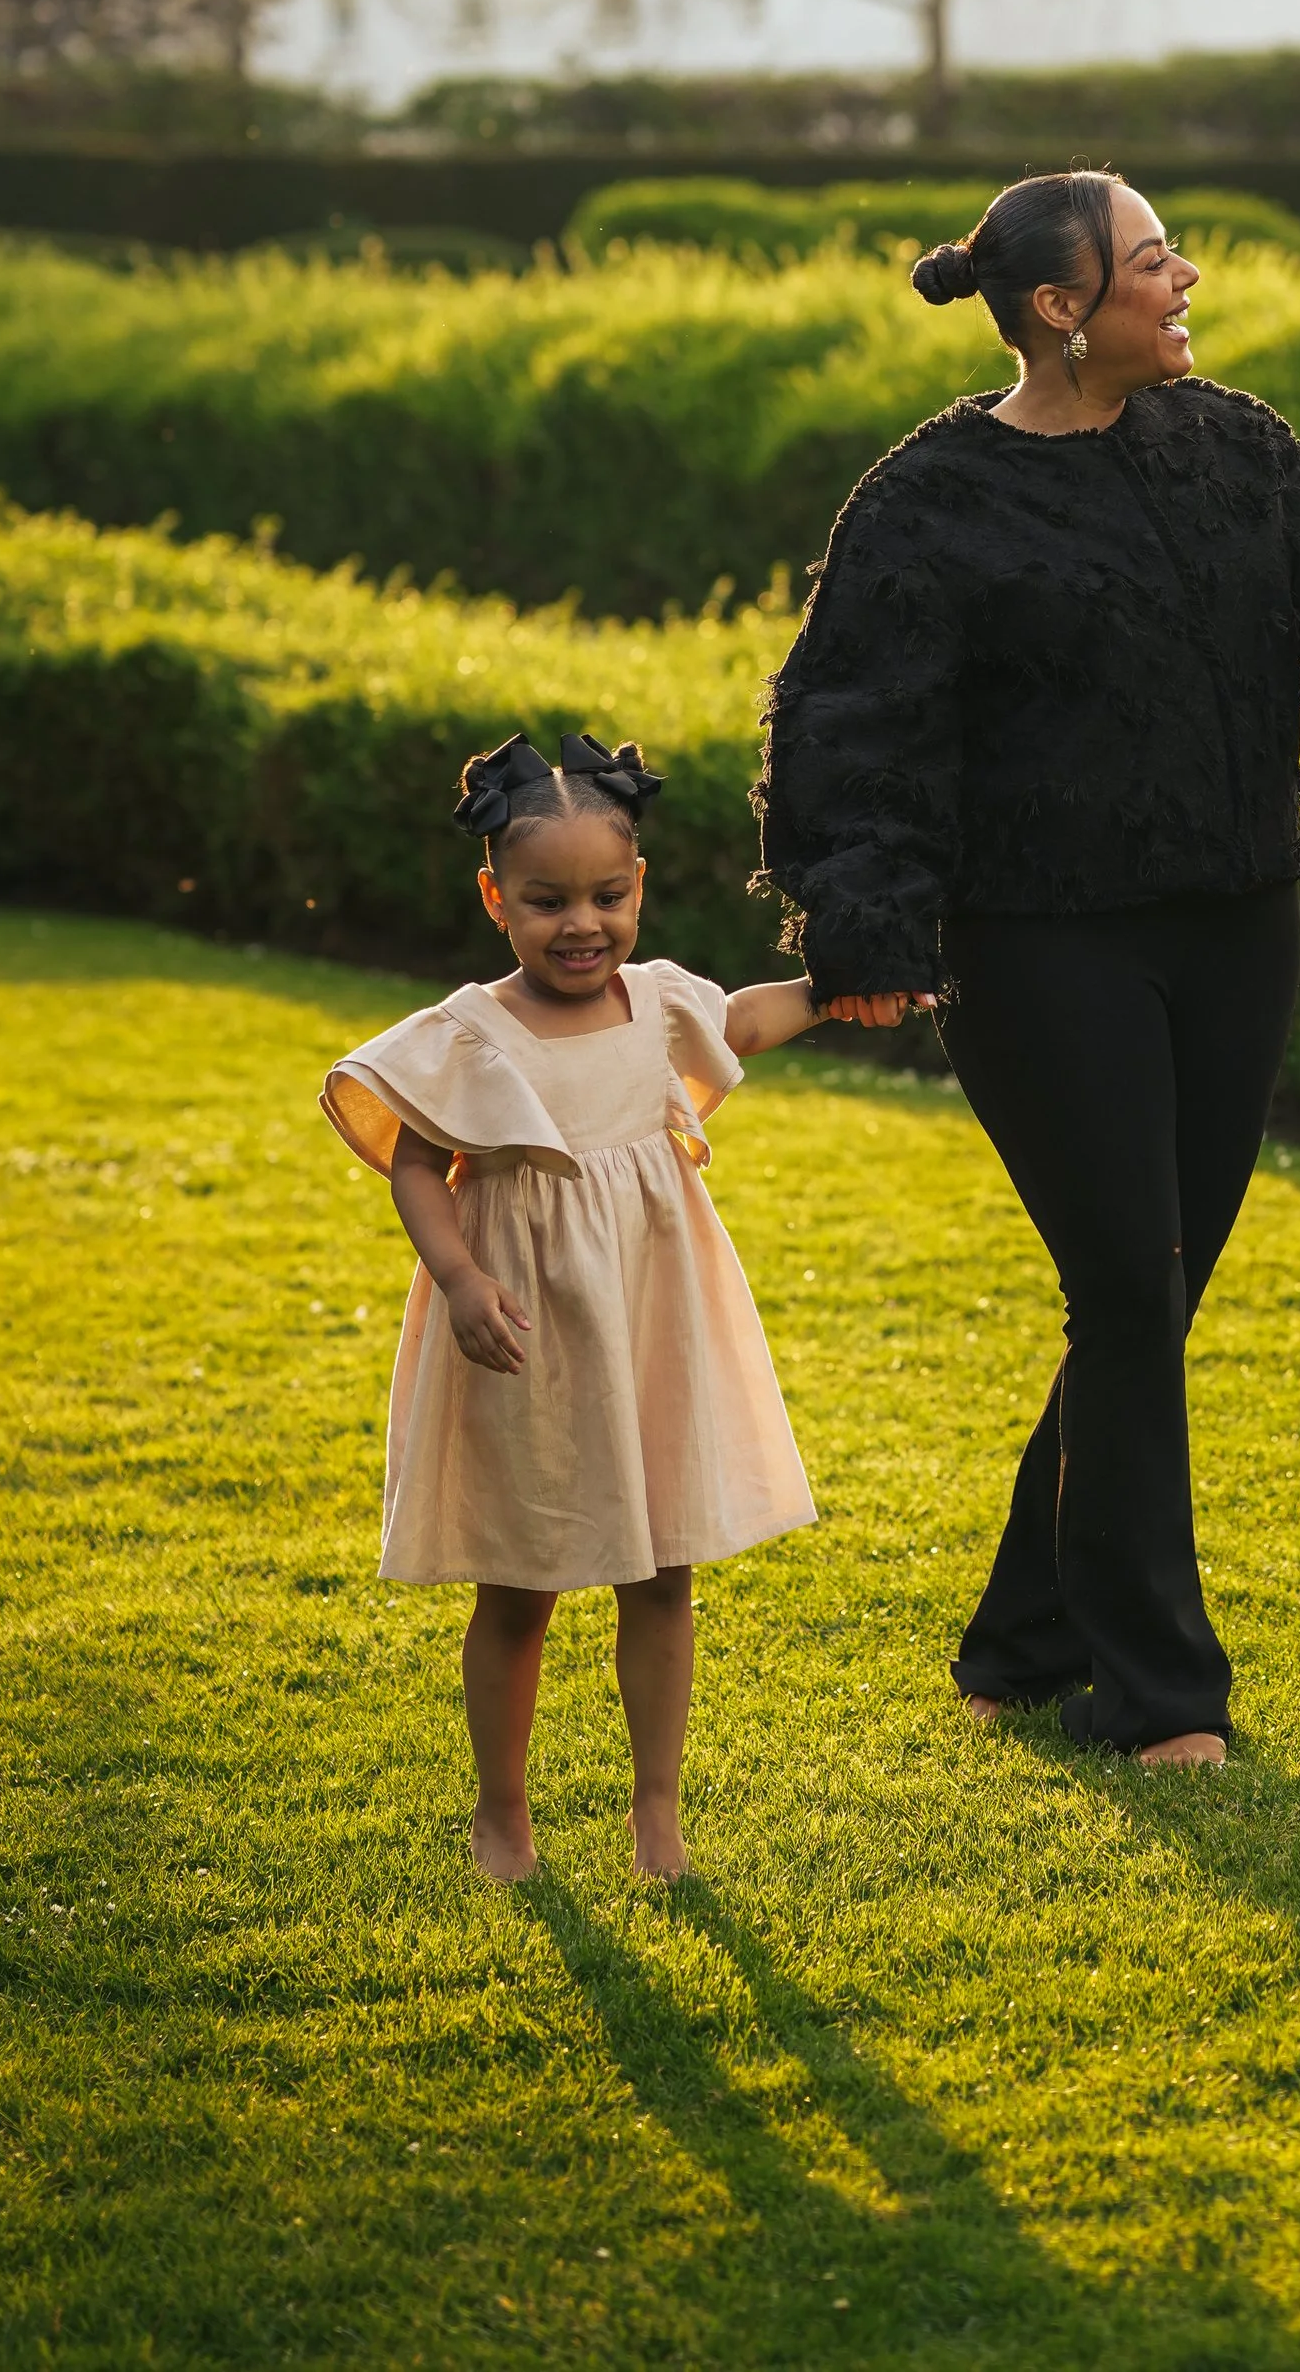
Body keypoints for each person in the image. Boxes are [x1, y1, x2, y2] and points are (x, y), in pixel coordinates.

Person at [756, 169, 1300, 1770]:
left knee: (1151, 1299)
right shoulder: (930, 495)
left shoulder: (1233, 444)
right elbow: (855, 720)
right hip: (1039, 946)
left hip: (1235, 921)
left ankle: (1023, 1637)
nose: (1187, 278)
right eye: (1155, 260)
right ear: (1057, 306)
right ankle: (1161, 1691)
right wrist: (869, 927)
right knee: (1124, 1289)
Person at [321, 729, 820, 1882]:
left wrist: (836, 988)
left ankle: (657, 1810)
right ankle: (504, 1812)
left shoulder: (655, 1008)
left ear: (638, 886)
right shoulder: (470, 1032)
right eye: (547, 901)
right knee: (524, 1578)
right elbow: (412, 1158)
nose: (580, 924)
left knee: (663, 1570)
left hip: (653, 1319)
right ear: (496, 897)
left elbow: (743, 1024)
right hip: (528, 1330)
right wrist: (458, 1277)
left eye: (606, 895)